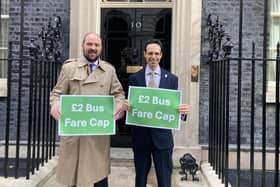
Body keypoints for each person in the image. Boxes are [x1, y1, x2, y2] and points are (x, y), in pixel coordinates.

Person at [50, 32, 125, 187]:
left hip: (97, 137)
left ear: (101, 48)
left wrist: (119, 106)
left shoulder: (109, 70)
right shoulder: (69, 68)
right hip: (75, 136)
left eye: (96, 45)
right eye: (89, 44)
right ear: (83, 46)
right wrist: (55, 105)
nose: (93, 48)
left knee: (99, 178)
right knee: (74, 179)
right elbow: (57, 93)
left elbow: (118, 94)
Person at [122, 39, 190, 187]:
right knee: (140, 177)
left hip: (163, 139)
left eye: (157, 53)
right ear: (145, 55)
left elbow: (174, 106)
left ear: (161, 55)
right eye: (150, 53)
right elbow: (131, 106)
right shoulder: (134, 78)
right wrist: (126, 106)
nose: (154, 57)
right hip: (141, 137)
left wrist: (183, 112)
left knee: (164, 178)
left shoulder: (172, 79)